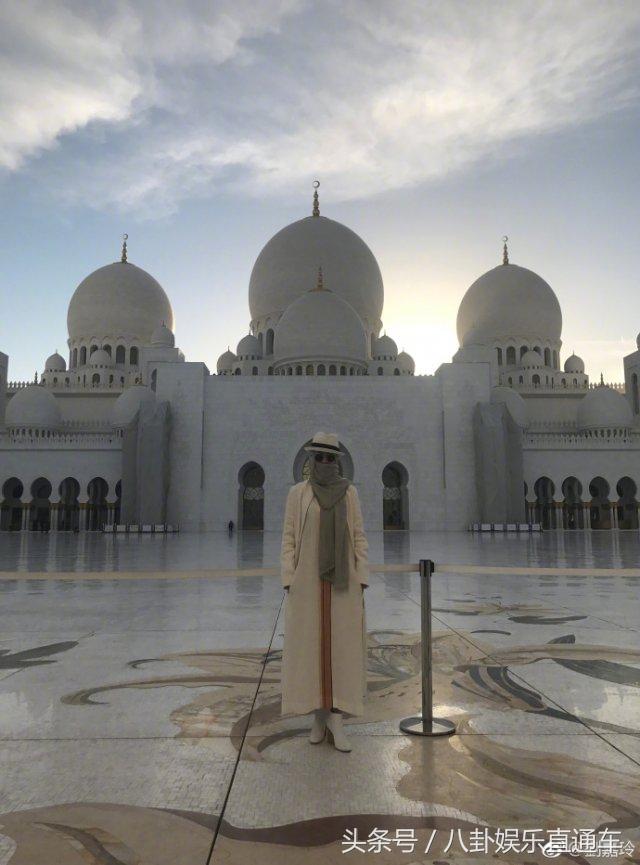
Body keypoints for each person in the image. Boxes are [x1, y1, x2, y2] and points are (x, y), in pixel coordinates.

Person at [280, 431, 369, 752]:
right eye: (320, 457)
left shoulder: (350, 494)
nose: (325, 462)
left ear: (338, 461)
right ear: (311, 460)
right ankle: (318, 715)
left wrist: (362, 577)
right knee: (311, 648)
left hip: (343, 582)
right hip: (306, 583)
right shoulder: (297, 494)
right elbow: (289, 537)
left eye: (331, 457)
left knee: (340, 649)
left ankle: (336, 717)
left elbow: (359, 536)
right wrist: (289, 578)